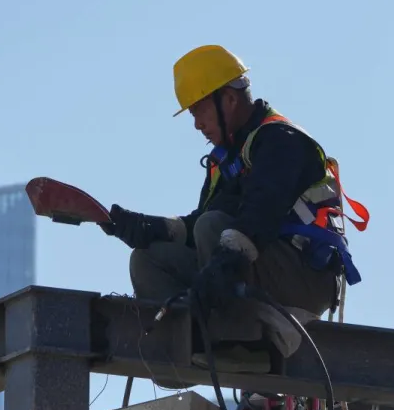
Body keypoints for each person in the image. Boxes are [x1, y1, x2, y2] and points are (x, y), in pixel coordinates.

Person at [102, 45, 363, 370]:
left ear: (228, 99)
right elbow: (197, 223)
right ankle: (181, 354)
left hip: (306, 275)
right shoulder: (230, 158)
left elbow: (260, 212)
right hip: (264, 269)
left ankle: (243, 345)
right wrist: (147, 228)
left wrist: (225, 262)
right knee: (148, 259)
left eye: (199, 110)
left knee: (213, 228)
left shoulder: (281, 140)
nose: (197, 124)